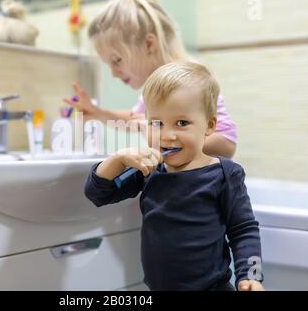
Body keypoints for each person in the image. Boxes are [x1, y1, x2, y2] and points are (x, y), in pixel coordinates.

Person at [84, 61, 264, 291]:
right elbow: (98, 194)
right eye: (156, 123)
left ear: (209, 126)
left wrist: (251, 276)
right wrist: (117, 159)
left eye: (181, 123)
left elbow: (244, 229)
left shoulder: (225, 174)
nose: (167, 135)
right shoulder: (148, 171)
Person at [63, 0, 236, 158]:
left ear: (149, 44)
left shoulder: (191, 79)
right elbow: (136, 119)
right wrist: (100, 114)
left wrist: (166, 138)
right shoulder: (157, 84)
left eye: (117, 60)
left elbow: (227, 143)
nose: (114, 74)